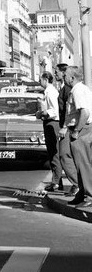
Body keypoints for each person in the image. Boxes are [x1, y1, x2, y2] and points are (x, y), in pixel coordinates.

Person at [63, 66, 92, 206]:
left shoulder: (78, 91)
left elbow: (85, 113)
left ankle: (89, 196)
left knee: (84, 164)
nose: (64, 77)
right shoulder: (80, 89)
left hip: (81, 130)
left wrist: (76, 131)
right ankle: (82, 193)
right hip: (82, 129)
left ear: (72, 78)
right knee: (79, 165)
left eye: (65, 75)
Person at [37, 71, 63, 192]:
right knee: (52, 152)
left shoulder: (51, 92)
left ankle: (56, 182)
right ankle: (57, 181)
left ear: (46, 80)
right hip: (49, 122)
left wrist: (42, 113)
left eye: (40, 79)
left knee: (54, 153)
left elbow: (54, 111)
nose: (39, 82)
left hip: (52, 123)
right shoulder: (48, 92)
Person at [56, 63, 79, 195]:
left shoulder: (69, 89)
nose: (56, 74)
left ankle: (77, 184)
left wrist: (64, 126)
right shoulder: (65, 88)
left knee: (64, 155)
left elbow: (69, 111)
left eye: (58, 72)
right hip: (67, 126)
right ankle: (77, 185)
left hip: (69, 126)